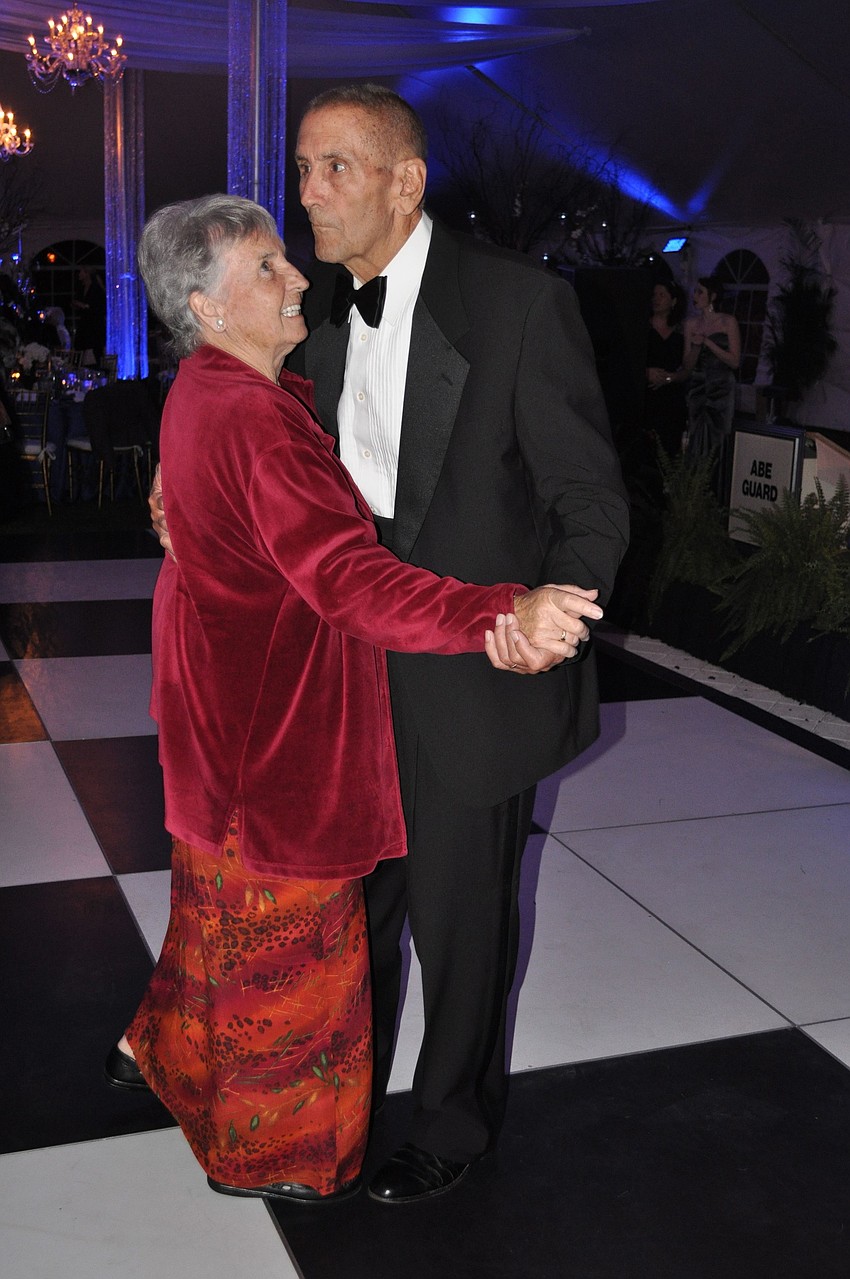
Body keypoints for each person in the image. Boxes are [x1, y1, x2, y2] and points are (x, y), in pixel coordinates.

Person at [152, 84, 629, 1204]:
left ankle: (453, 1124)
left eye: (335, 170)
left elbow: (588, 496)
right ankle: (330, 1101)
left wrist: (554, 607)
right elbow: (253, 460)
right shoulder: (302, 313)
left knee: (463, 920)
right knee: (351, 916)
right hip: (339, 679)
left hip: (475, 668)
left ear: (404, 182)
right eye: (305, 167)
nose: (308, 194)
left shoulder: (517, 303)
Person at [682, 275, 741, 461]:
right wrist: (696, 346)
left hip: (721, 387)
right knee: (696, 434)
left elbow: (735, 361)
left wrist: (708, 343)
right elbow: (687, 365)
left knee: (718, 437)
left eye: (700, 292)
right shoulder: (690, 324)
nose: (695, 296)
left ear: (712, 296)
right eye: (695, 291)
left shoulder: (727, 322)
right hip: (699, 385)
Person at [645, 280, 687, 456]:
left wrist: (669, 378)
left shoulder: (681, 332)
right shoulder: (643, 327)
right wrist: (646, 372)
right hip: (646, 396)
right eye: (655, 295)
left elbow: (686, 369)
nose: (657, 299)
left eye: (662, 295)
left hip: (671, 399)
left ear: (673, 301)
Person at [72, 267, 106, 364]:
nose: (79, 274)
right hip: (85, 323)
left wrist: (85, 306)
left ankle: (101, 371)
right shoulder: (81, 288)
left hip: (95, 323)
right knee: (79, 346)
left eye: (81, 271)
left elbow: (98, 306)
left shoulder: (95, 288)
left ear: (87, 273)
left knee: (97, 350)